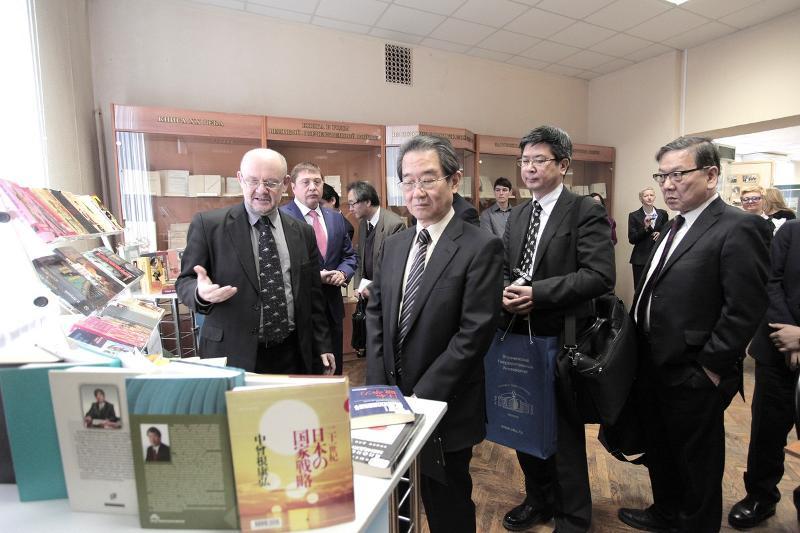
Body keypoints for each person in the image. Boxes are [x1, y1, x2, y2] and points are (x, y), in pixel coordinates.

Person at [618, 136, 770, 533]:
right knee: (660, 448)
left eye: (678, 175)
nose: (667, 185)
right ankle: (665, 512)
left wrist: (710, 368)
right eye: (662, 176)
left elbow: (745, 307)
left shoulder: (740, 226)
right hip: (652, 362)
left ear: (711, 174)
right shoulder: (674, 225)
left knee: (696, 461)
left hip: (695, 370)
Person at [366, 134, 503, 533]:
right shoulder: (395, 244)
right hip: (392, 403)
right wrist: (380, 391)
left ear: (454, 180)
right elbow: (376, 315)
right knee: (398, 500)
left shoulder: (481, 247)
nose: (417, 191)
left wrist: (419, 399)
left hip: (446, 404)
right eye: (408, 181)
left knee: (447, 503)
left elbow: (473, 334)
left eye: (428, 179)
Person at [501, 125, 615, 533]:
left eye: (539, 160)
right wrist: (504, 291)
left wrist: (538, 293)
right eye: (524, 160)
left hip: (561, 338)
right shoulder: (519, 213)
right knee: (524, 422)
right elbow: (508, 267)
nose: (529, 168)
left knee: (563, 433)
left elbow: (599, 275)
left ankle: (572, 516)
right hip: (518, 334)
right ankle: (539, 499)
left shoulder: (583, 210)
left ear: (563, 165)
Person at [176, 148, 335, 375]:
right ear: (240, 179)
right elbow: (185, 281)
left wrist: (322, 344)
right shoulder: (208, 226)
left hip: (291, 352)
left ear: (285, 183)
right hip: (231, 352)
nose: (261, 190)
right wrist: (200, 293)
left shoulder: (302, 232)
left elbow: (312, 295)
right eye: (253, 181)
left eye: (271, 182)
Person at [728, 219, 800, 529]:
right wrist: (788, 334)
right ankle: (760, 495)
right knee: (767, 431)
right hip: (775, 349)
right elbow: (771, 282)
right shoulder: (791, 232)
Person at [281, 162, 357, 376]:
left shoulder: (335, 218)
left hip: (332, 306)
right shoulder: (281, 218)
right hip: (299, 310)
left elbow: (349, 255)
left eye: (317, 182)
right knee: (304, 372)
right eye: (306, 182)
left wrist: (343, 273)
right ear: (292, 187)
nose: (313, 187)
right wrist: (316, 276)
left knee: (333, 369)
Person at [346, 180, 406, 297]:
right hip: (366, 294)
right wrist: (358, 286)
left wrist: (374, 290)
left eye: (353, 204)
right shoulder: (363, 223)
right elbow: (360, 258)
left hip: (386, 294)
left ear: (368, 202)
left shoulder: (394, 225)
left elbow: (395, 267)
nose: (350, 209)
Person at [628, 187, 669, 288]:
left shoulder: (663, 214)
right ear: (641, 199)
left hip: (658, 256)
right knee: (640, 289)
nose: (649, 198)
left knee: (657, 289)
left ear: (654, 197)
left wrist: (661, 234)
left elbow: (667, 232)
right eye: (646, 196)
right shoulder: (634, 215)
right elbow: (632, 239)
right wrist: (646, 228)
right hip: (640, 259)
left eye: (651, 195)